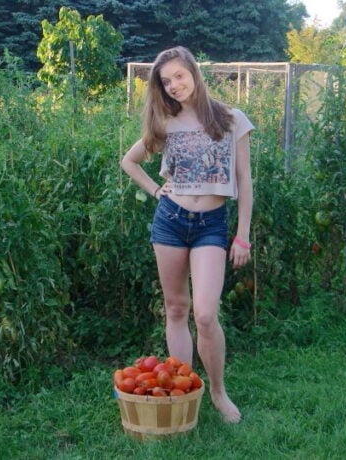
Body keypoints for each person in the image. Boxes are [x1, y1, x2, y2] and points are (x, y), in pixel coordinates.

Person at [120, 46, 254, 423]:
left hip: (212, 224)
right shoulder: (165, 121)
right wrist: (156, 190)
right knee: (177, 309)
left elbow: (244, 180)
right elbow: (129, 162)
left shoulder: (231, 119)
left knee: (207, 314)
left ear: (194, 72)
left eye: (179, 76)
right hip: (171, 220)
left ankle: (217, 392)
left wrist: (242, 235)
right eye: (166, 82)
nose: (174, 85)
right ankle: (184, 390)